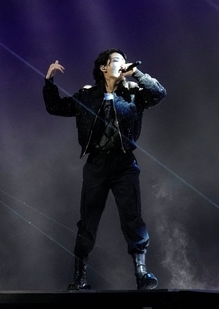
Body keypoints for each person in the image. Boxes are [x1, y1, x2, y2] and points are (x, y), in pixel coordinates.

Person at [42, 48, 166, 290]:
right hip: (97, 165)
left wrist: (137, 74)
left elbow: (159, 93)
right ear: (103, 67)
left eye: (124, 61)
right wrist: (49, 80)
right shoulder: (88, 96)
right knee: (88, 222)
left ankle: (141, 273)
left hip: (124, 164)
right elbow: (56, 107)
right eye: (117, 60)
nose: (123, 64)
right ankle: (80, 278)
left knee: (132, 218)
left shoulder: (132, 93)